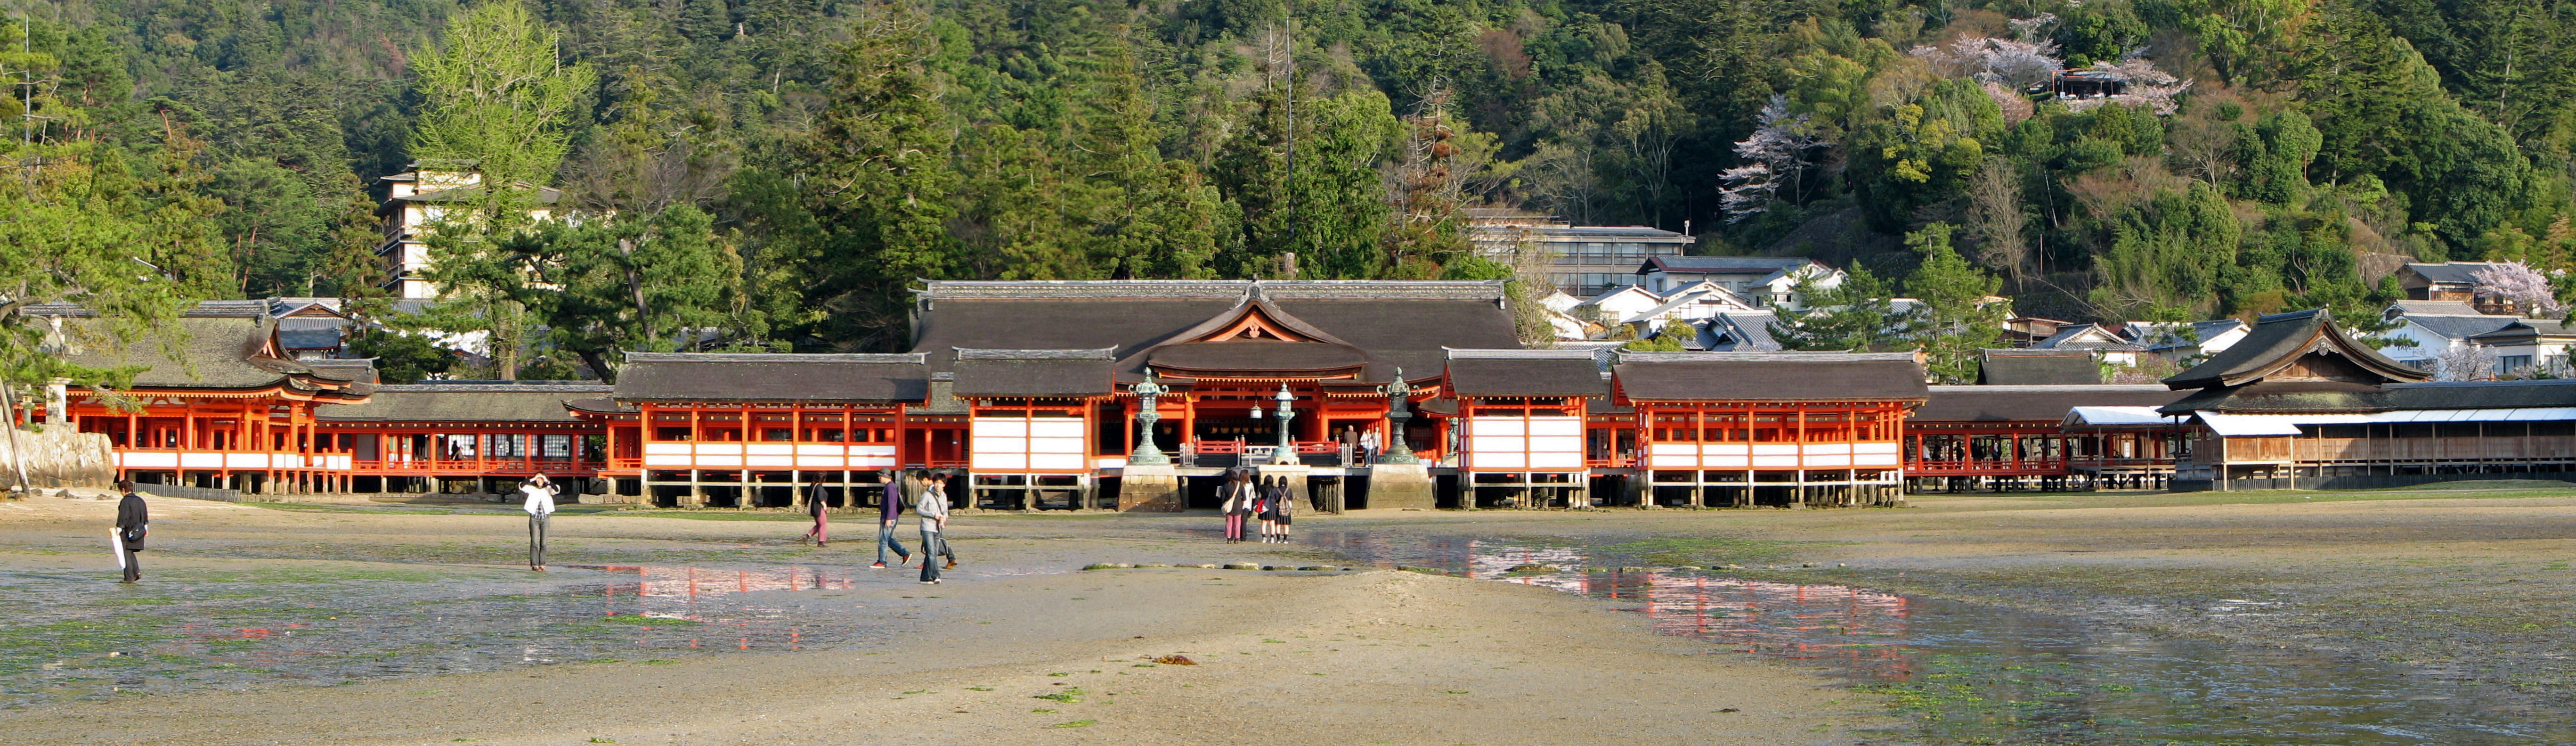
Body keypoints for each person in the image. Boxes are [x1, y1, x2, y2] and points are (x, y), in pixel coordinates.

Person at [871, 468, 910, 569]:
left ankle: (882, 561)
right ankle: (904, 554)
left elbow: (892, 504)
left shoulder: (890, 488)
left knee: (883, 540)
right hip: (889, 516)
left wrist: (889, 518)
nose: (879, 478)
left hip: (889, 517)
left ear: (886, 477)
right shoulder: (889, 487)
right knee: (887, 539)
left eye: (880, 476)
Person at [915, 473, 950, 584]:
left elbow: (945, 510)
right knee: (930, 552)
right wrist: (933, 514)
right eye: (937, 483)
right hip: (927, 527)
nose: (939, 486)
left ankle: (925, 578)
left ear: (944, 485)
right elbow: (919, 509)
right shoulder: (927, 495)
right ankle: (936, 575)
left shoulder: (944, 496)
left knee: (934, 553)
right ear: (933, 483)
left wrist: (944, 517)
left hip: (938, 528)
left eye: (941, 483)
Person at [113, 479, 147, 583]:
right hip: (140, 530)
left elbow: (123, 516)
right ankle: (136, 573)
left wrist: (119, 528)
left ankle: (129, 577)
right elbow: (145, 516)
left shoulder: (125, 501)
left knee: (125, 553)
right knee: (130, 551)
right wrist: (146, 528)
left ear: (123, 490)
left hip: (128, 531)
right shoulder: (141, 500)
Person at [520, 475, 557, 571]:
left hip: (545, 519)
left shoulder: (548, 489)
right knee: (534, 542)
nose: (539, 480)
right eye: (538, 479)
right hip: (534, 519)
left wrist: (548, 482)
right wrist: (533, 479)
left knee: (544, 543)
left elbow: (557, 490)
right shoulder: (532, 489)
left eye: (541, 479)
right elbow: (522, 486)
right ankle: (535, 564)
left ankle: (542, 564)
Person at [1220, 469, 1252, 543]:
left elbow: (1223, 498)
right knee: (1237, 524)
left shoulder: (1226, 485)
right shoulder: (1240, 485)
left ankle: (1229, 538)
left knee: (1229, 523)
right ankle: (1237, 539)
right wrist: (1243, 505)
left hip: (1229, 507)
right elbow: (1244, 497)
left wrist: (1224, 504)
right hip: (1238, 507)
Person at [800, 477, 830, 547]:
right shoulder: (819, 487)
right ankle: (821, 542)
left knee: (819, 525)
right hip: (819, 508)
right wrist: (824, 505)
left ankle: (807, 536)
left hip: (814, 508)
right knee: (823, 525)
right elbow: (820, 497)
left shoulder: (814, 486)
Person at [1271, 475, 1295, 543]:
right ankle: (1285, 540)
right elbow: (1291, 498)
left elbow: (1275, 499)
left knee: (1278, 525)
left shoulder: (1277, 490)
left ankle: (1278, 540)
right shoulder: (1289, 490)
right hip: (1287, 510)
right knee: (1286, 525)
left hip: (1279, 509)